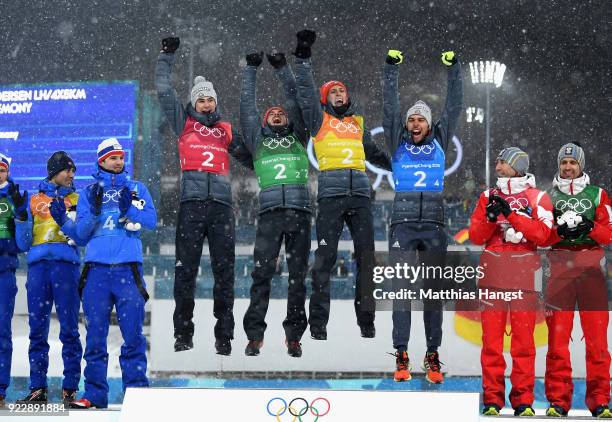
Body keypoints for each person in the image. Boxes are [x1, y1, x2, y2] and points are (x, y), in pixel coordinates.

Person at [155, 37, 253, 355]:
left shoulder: (225, 129)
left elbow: (251, 159)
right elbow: (163, 90)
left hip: (222, 208)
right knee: (186, 270)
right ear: (194, 104)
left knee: (225, 272)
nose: (207, 105)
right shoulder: (184, 124)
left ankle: (224, 335)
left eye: (210, 100)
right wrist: (166, 56)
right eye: (202, 101)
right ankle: (183, 333)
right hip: (192, 205)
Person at [292, 29, 391, 340]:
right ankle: (318, 325)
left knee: (366, 260)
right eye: (333, 92)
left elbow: (374, 154)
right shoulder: (318, 119)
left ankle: (367, 321)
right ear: (326, 98)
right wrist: (303, 56)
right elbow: (306, 91)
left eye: (342, 91)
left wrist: (402, 166)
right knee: (324, 261)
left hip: (361, 196)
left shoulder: (357, 123)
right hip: (332, 196)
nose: (339, 95)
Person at [382, 49, 463, 383]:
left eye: (421, 119)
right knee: (401, 291)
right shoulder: (396, 138)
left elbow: (454, 105)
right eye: (412, 119)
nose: (415, 123)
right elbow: (389, 105)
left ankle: (432, 355)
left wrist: (454, 70)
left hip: (434, 221)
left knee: (432, 293)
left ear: (430, 125)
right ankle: (401, 353)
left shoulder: (441, 140)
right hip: (402, 220)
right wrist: (390, 70)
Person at [69, 138, 156, 409]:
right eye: (113, 157)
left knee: (133, 335)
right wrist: (94, 213)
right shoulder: (88, 192)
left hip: (128, 268)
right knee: (95, 336)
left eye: (121, 157)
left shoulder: (136, 188)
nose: (119, 161)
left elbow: (151, 221)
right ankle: (94, 395)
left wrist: (128, 209)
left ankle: (138, 395)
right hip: (96, 270)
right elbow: (81, 236)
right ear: (101, 161)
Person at [468, 147, 553, 417]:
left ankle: (523, 402)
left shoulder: (538, 196)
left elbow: (544, 235)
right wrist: (492, 219)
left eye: (503, 162)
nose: (498, 165)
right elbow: (475, 236)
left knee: (523, 345)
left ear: (518, 167)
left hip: (524, 278)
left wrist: (513, 215)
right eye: (497, 161)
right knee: (491, 344)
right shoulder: (486, 196)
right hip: (493, 276)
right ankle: (492, 400)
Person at [239, 51, 311, 358]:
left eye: (282, 113)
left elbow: (295, 99)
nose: (278, 114)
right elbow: (247, 106)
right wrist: (251, 70)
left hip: (300, 213)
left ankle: (294, 336)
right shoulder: (258, 139)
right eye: (272, 113)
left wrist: (282, 69)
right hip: (269, 215)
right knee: (261, 276)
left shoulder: (299, 136)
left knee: (298, 278)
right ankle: (255, 336)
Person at [543, 143, 612, 418]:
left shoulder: (598, 195)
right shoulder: (548, 196)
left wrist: (590, 227)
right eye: (564, 163)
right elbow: (541, 237)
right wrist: (557, 230)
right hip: (559, 270)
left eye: (573, 163)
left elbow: (609, 234)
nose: (568, 167)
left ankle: (600, 401)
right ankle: (558, 401)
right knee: (557, 341)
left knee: (597, 342)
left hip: (591, 270)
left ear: (581, 165)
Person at [14, 151, 83, 406]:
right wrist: (21, 218)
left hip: (66, 267)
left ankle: (70, 390)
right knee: (37, 332)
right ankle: (38, 389)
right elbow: (23, 244)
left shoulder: (79, 199)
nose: (71, 175)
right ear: (54, 171)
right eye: (68, 170)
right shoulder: (33, 200)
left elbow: (80, 235)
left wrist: (65, 219)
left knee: (69, 331)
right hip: (38, 269)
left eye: (73, 171)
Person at [0, 154, 26, 409]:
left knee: (1, 333)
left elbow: (22, 241)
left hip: (4, 271)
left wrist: (19, 211)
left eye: (1, 170)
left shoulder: (15, 196)